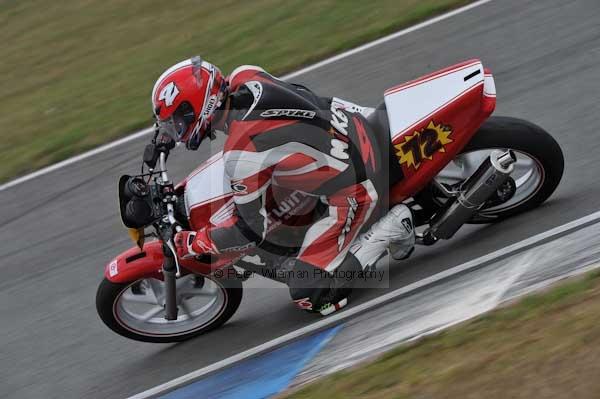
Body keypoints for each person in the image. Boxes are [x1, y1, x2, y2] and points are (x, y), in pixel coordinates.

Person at [152, 56, 415, 316]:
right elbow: (304, 97)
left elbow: (250, 231)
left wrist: (196, 243)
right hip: (352, 124)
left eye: (178, 122)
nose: (178, 131)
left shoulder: (241, 152)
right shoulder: (246, 74)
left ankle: (390, 229)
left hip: (354, 186)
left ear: (202, 107)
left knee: (309, 294)